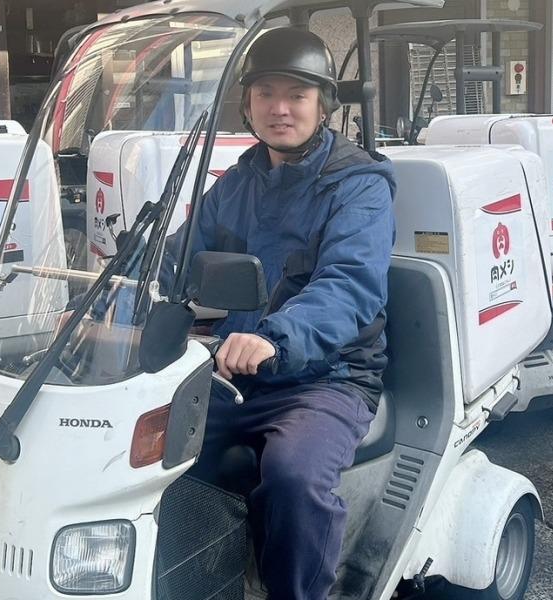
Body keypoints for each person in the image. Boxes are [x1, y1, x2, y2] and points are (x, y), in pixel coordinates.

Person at [187, 27, 396, 600]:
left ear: (322, 105)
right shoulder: (237, 183)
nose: (280, 108)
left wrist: (274, 339)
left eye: (297, 95)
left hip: (325, 378)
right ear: (247, 104)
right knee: (142, 447)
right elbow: (176, 260)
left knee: (293, 478)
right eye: (266, 93)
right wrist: (109, 305)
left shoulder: (359, 185)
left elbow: (350, 285)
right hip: (232, 374)